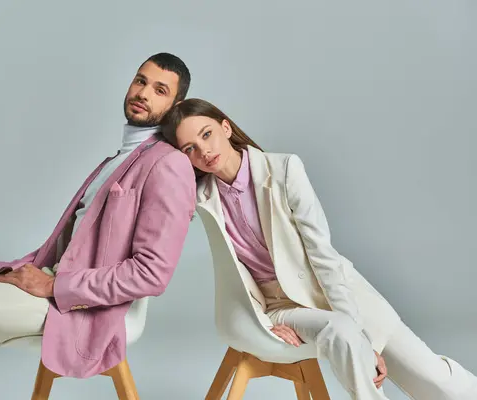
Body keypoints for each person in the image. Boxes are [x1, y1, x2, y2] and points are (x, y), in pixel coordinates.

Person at [0, 53, 197, 400]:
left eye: (159, 90)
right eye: (140, 81)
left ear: (175, 105)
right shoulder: (120, 158)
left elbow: (151, 274)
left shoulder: (169, 164)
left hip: (80, 305)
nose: (143, 93)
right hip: (50, 272)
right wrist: (27, 271)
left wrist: (53, 285)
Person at [160, 98, 477, 399]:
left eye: (207, 134)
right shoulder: (200, 197)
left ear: (225, 128)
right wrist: (264, 324)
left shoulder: (283, 169)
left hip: (342, 293)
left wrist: (364, 339)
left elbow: (322, 255)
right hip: (283, 308)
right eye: (190, 148)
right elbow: (155, 183)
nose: (204, 150)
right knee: (343, 333)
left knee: (434, 378)